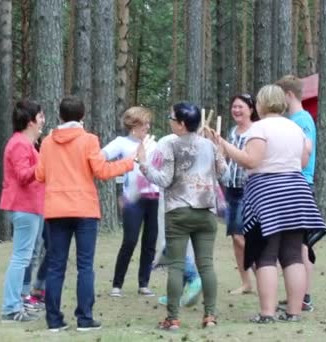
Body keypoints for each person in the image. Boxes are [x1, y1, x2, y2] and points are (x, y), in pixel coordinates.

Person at [210, 85, 326, 323]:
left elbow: (251, 161)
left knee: (265, 255)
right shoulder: (296, 127)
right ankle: (294, 312)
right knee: (293, 255)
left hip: (268, 193)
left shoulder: (259, 128)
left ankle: (267, 313)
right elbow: (304, 160)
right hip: (297, 191)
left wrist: (224, 145)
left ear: (261, 105)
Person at [35, 96, 139, 332]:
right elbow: (102, 171)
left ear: (60, 116)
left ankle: (53, 319)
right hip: (84, 209)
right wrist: (129, 162)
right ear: (82, 117)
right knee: (85, 265)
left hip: (56, 209)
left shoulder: (48, 142)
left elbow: (40, 175)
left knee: (55, 265)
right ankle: (84, 318)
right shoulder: (89, 140)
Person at [139, 102, 227, 330]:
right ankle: (210, 316)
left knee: (176, 266)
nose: (169, 121)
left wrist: (144, 165)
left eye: (171, 118)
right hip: (206, 212)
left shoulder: (171, 144)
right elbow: (223, 173)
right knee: (206, 265)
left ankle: (173, 318)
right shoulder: (210, 145)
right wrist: (220, 150)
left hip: (178, 212)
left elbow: (164, 180)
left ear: (181, 124)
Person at [102, 106, 160, 297]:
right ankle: (117, 285)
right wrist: (120, 189)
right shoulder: (121, 143)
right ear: (133, 125)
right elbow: (102, 158)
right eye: (144, 123)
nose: (148, 126)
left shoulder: (153, 143)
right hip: (132, 199)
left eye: (148, 123)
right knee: (130, 240)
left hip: (153, 197)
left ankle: (144, 283)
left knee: (150, 241)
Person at [0, 100, 46, 323]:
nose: (43, 121)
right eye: (40, 117)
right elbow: (23, 175)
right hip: (23, 206)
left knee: (27, 257)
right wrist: (45, 162)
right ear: (30, 122)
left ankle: (18, 301)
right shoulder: (19, 144)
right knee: (20, 258)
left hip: (33, 206)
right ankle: (10, 307)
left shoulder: (29, 144)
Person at [276, 75, 317, 312]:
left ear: (289, 95)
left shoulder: (301, 120)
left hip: (300, 184)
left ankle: (305, 297)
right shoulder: (295, 119)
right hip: (293, 185)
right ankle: (298, 294)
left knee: (301, 246)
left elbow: (303, 155)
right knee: (294, 245)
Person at [222, 93, 259, 295]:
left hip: (249, 189)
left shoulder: (256, 131)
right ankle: (246, 282)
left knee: (241, 236)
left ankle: (261, 276)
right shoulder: (232, 131)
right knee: (235, 237)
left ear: (251, 109)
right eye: (234, 106)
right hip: (231, 188)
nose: (236, 110)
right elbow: (227, 156)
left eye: (241, 107)